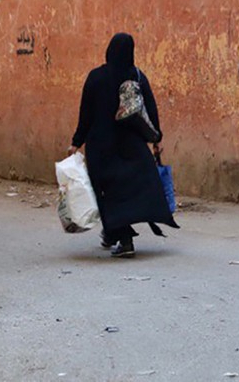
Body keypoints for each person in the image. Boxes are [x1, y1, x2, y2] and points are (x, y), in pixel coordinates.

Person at [68, 33, 177, 257]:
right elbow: (150, 111)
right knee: (130, 190)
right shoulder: (137, 76)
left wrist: (76, 143)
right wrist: (156, 140)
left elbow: (85, 115)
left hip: (101, 147)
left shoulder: (96, 77)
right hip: (132, 146)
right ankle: (112, 233)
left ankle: (123, 238)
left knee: (107, 192)